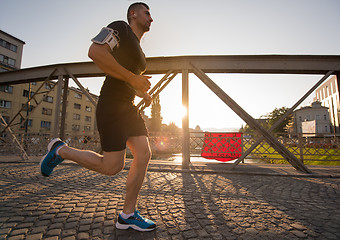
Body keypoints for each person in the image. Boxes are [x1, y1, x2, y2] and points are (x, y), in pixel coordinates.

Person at [39, 2, 156, 232]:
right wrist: (133, 79)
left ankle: (128, 215)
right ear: (133, 13)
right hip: (112, 105)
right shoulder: (120, 28)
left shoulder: (140, 52)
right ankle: (60, 150)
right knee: (112, 166)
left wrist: (140, 90)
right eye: (147, 13)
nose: (151, 18)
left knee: (144, 153)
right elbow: (95, 52)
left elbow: (124, 76)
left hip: (128, 106)